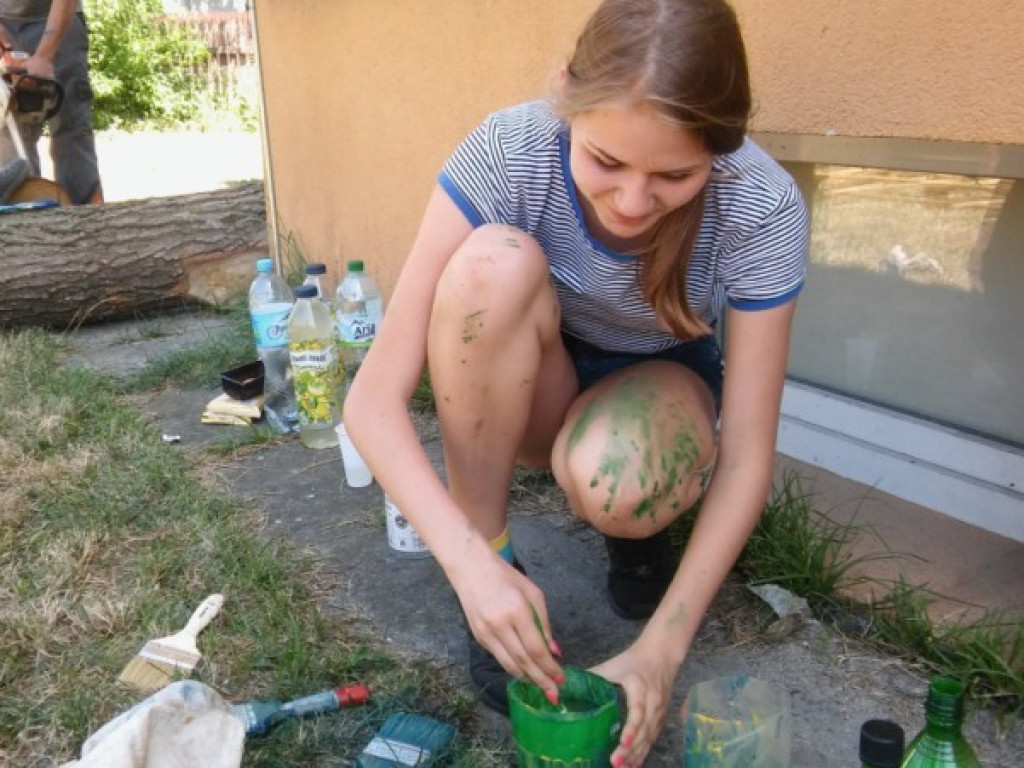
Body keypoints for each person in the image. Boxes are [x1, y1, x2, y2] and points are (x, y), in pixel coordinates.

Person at [343, 0, 808, 764]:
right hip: (535, 372)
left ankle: (640, 531)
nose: (631, 203)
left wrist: (662, 648)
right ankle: (500, 559)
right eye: (606, 161)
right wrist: (470, 564)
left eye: (675, 175)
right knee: (491, 266)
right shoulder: (509, 148)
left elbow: (749, 451)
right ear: (565, 94)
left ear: (720, 152)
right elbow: (371, 401)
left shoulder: (761, 204)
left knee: (614, 482)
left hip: (660, 384)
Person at [0, 0, 102, 204]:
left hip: (57, 19)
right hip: (5, 22)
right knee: (10, 132)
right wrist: (5, 46)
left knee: (71, 130)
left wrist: (44, 57)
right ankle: (22, 224)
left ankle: (86, 222)